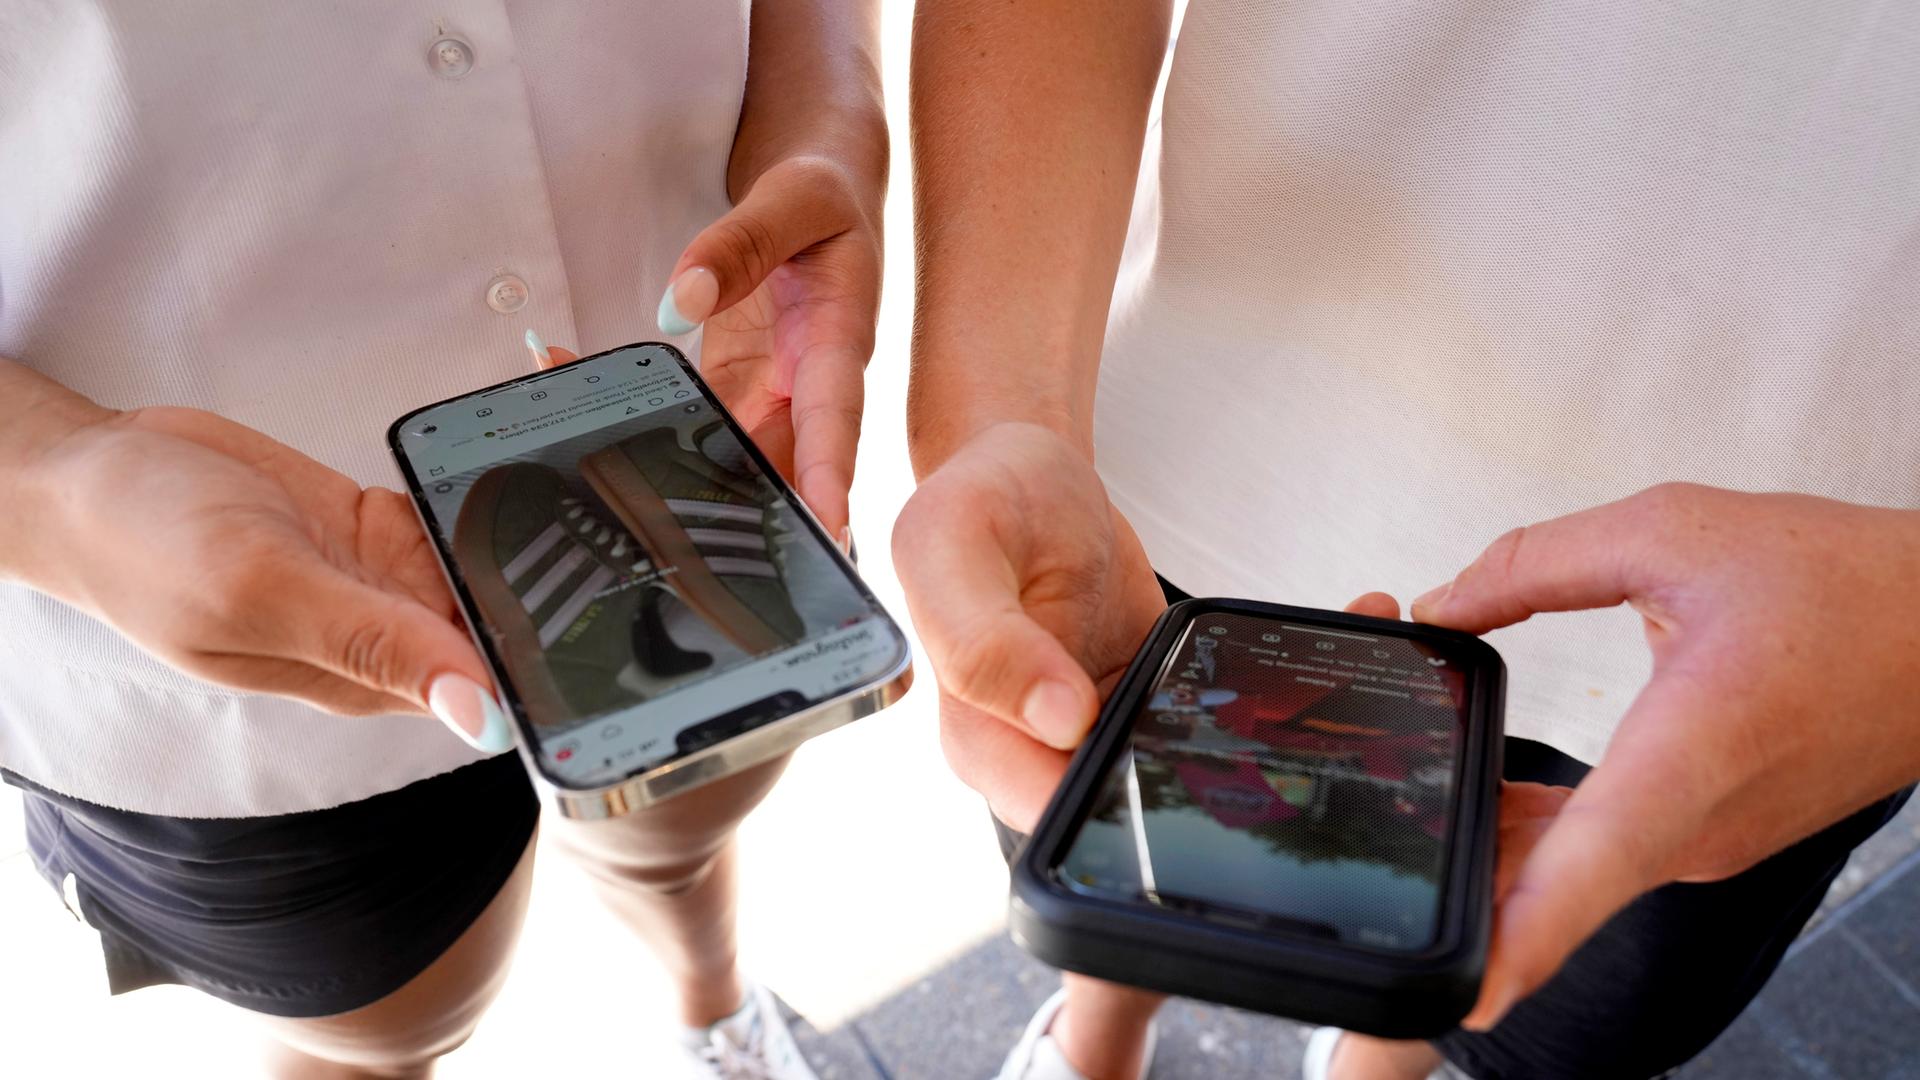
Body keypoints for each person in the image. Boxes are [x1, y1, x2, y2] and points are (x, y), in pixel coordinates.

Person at [895, 2, 1920, 1078]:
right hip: (1186, 456)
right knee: (1117, 867)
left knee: (1471, 979)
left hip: (1814, 622)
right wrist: (1003, 414)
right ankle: (1098, 1034)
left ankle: (1369, 1063)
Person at [0, 2, 884, 1076]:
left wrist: (828, 119)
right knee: (391, 1036)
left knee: (679, 846)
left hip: (686, 421)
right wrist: (46, 476)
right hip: (206, 641)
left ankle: (719, 1018)